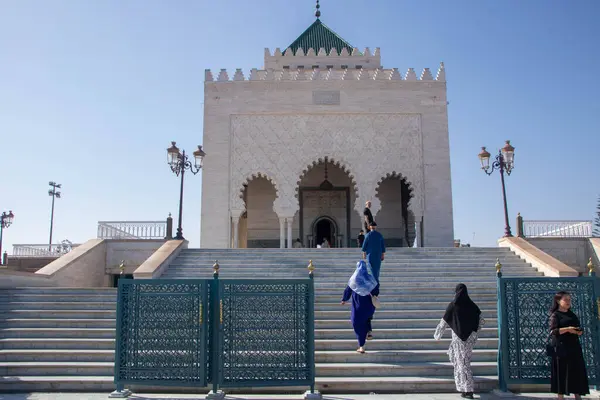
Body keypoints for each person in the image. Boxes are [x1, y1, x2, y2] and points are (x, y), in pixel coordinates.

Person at [434, 284, 484, 400]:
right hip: (469, 340)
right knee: (462, 363)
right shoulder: (472, 306)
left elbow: (444, 322)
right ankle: (464, 388)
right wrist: (474, 333)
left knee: (462, 364)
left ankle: (469, 389)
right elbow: (481, 321)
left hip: (458, 340)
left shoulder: (453, 305)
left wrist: (437, 336)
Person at [549, 291, 589, 399]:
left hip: (574, 347)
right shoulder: (555, 315)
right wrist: (568, 329)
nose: (568, 302)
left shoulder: (572, 315)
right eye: (565, 299)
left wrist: (578, 331)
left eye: (569, 299)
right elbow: (553, 331)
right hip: (561, 348)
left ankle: (577, 395)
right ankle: (561, 396)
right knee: (561, 371)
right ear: (558, 301)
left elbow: (579, 328)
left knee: (576, 371)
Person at [341, 260, 379, 353]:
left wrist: (344, 299)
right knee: (366, 318)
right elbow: (376, 291)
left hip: (358, 305)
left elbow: (348, 290)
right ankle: (369, 331)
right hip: (368, 305)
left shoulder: (354, 279)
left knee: (357, 323)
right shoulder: (370, 278)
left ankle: (361, 346)